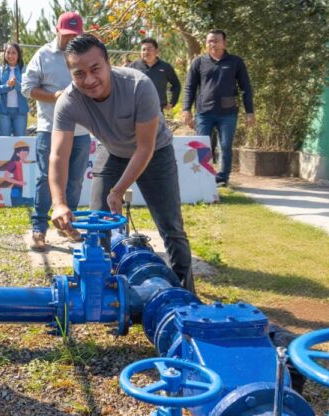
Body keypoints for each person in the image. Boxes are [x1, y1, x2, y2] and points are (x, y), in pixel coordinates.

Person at [50, 34, 194, 292]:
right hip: (113, 150)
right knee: (98, 223)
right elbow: (59, 155)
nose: (90, 80)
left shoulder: (139, 85)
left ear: (108, 63)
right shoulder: (68, 101)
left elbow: (145, 147)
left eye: (95, 69)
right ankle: (102, 291)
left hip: (155, 152)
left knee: (171, 226)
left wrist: (118, 190)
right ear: (70, 73)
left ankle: (184, 292)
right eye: (79, 73)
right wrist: (59, 203)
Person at [22, 11, 91, 251]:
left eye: (75, 35)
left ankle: (67, 224)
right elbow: (27, 88)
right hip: (50, 129)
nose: (70, 39)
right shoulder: (43, 55)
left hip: (81, 130)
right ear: (56, 31)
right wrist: (54, 97)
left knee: (75, 180)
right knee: (44, 178)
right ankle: (39, 229)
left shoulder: (85, 55)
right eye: (66, 35)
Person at [182, 29, 254, 186]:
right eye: (209, 41)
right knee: (202, 146)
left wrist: (250, 112)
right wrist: (186, 109)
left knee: (226, 147)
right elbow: (189, 87)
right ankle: (202, 176)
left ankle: (222, 178)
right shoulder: (199, 62)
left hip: (228, 114)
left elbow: (246, 88)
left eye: (215, 40)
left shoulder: (235, 62)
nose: (212, 43)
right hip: (203, 113)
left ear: (224, 43)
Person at [129, 38, 181, 112]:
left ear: (156, 51)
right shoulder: (134, 66)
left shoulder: (165, 67)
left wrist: (172, 102)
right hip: (136, 109)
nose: (146, 52)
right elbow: (125, 85)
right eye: (143, 49)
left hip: (157, 110)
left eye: (149, 49)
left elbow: (176, 85)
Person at [0, 42, 29, 137]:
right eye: (8, 52)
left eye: (13, 53)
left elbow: (27, 89)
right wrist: (8, 86)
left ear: (18, 55)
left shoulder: (24, 70)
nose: (10, 55)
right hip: (3, 112)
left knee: (20, 142)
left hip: (20, 112)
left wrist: (16, 84)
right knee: (4, 142)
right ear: (4, 54)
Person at [4, 140, 34, 207]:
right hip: (16, 189)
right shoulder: (14, 164)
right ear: (17, 154)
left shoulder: (29, 164)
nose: (25, 154)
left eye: (27, 152)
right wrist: (18, 182)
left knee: (30, 204)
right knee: (16, 204)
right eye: (23, 152)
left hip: (28, 190)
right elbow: (6, 177)